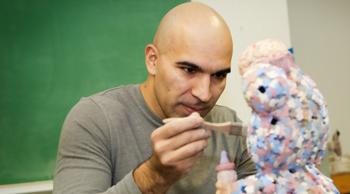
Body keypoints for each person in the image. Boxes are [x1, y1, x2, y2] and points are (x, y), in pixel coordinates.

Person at [53, 2, 256, 194]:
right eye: (188, 69)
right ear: (153, 60)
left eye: (219, 75)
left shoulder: (229, 128)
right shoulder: (95, 121)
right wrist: (154, 175)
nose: (204, 94)